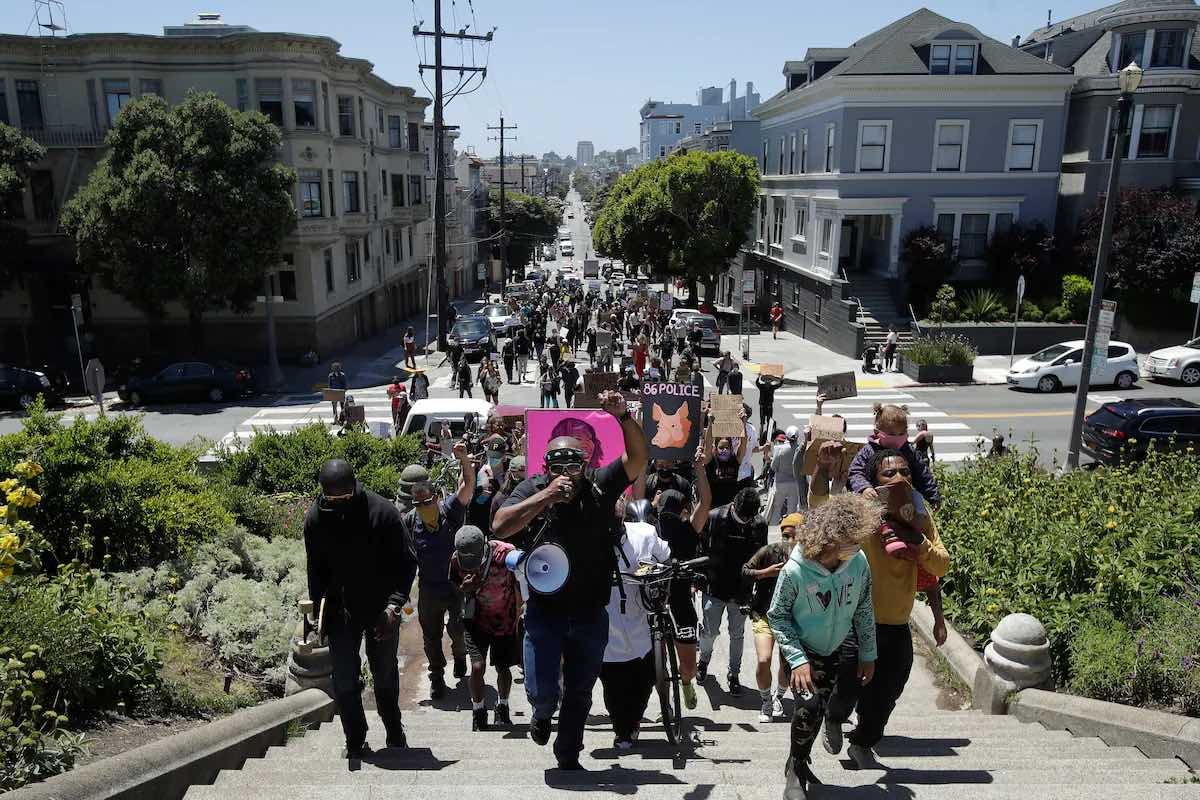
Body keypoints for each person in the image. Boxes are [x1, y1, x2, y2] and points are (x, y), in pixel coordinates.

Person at [493, 390, 648, 770]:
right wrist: (544, 497)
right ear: (545, 467)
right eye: (557, 467)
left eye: (574, 466)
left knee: (580, 690)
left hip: (590, 611)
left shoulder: (600, 485)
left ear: (586, 463)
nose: (566, 474)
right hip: (545, 611)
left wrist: (624, 417)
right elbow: (499, 525)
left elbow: (639, 459)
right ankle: (542, 712)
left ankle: (568, 755)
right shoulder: (534, 488)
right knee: (542, 688)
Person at [822, 450, 949, 771]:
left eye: (904, 472)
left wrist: (916, 541)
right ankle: (834, 717)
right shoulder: (862, 512)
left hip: (896, 623)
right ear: (873, 482)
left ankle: (863, 742)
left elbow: (941, 566)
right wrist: (828, 475)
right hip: (855, 621)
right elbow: (823, 518)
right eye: (888, 474)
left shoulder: (920, 514)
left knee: (888, 692)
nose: (898, 479)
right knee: (848, 684)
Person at [303, 459, 418, 758]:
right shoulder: (316, 518)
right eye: (333, 499)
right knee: (343, 679)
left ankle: (394, 730)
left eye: (345, 497)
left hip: (382, 608)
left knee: (384, 675)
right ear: (324, 494)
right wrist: (317, 613)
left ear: (355, 487)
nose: (340, 503)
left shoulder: (382, 512)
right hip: (342, 610)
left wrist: (394, 606)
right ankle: (354, 738)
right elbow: (315, 569)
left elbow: (407, 563)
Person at [768, 494, 879, 799]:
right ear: (831, 539)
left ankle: (798, 760)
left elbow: (864, 608)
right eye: (851, 540)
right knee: (808, 706)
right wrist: (796, 658)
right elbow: (777, 616)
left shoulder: (858, 563)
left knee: (816, 714)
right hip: (801, 649)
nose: (857, 546)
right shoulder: (795, 571)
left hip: (833, 649)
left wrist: (868, 653)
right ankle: (794, 771)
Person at [406, 441, 476, 700]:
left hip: (456, 585)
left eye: (427, 502)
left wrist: (464, 459)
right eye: (419, 503)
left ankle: (460, 655)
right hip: (429, 589)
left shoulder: (450, 511)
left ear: (435, 498)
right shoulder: (411, 522)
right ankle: (436, 676)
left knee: (458, 628)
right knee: (431, 636)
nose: (424, 507)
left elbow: (467, 485)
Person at [600, 499, 672, 749]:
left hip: (640, 622)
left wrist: (656, 571)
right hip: (606, 629)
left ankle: (634, 722)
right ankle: (622, 729)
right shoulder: (587, 541)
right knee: (613, 687)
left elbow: (667, 557)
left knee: (646, 678)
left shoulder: (645, 533)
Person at [651, 441, 713, 709]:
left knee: (687, 665)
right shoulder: (648, 529)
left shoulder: (689, 529)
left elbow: (707, 502)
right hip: (652, 596)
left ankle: (686, 682)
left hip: (681, 600)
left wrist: (700, 470)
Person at [449, 525, 521, 731]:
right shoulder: (455, 560)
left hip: (504, 620)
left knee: (503, 667)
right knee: (477, 667)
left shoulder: (504, 554)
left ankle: (503, 706)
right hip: (476, 621)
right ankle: (478, 711)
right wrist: (466, 589)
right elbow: (456, 587)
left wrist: (519, 613)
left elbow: (520, 582)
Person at [697, 486, 767, 695]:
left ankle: (734, 674)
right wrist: (698, 580)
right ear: (733, 506)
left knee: (737, 635)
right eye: (741, 516)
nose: (745, 520)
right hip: (715, 587)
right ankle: (703, 661)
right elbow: (701, 548)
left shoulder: (759, 524)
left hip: (741, 590)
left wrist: (757, 593)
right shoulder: (715, 517)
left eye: (749, 518)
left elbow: (762, 556)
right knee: (710, 631)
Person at [743, 512, 803, 724]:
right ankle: (766, 700)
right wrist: (766, 572)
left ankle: (779, 697)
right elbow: (745, 570)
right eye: (785, 535)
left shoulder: (808, 557)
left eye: (794, 535)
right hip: (763, 613)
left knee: (786, 664)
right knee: (763, 659)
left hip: (791, 618)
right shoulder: (770, 551)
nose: (789, 541)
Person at [847, 404, 943, 507]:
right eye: (892, 435)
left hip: (904, 501)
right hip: (875, 502)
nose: (898, 438)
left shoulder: (909, 451)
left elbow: (922, 474)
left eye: (902, 434)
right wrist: (864, 487)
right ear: (877, 432)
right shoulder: (869, 451)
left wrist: (933, 497)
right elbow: (855, 471)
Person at [766, 426, 804, 523]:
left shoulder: (779, 449)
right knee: (792, 510)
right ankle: (789, 531)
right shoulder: (801, 450)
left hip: (780, 484)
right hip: (794, 484)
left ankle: (773, 531)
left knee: (776, 509)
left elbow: (773, 466)